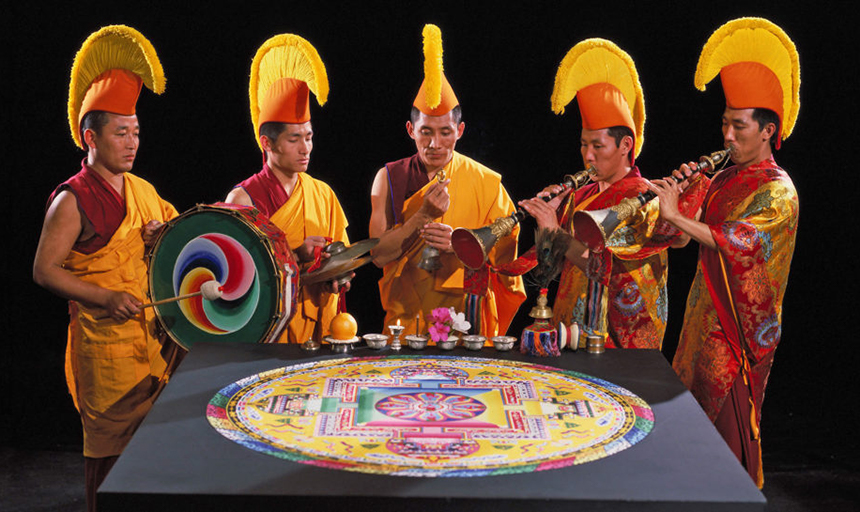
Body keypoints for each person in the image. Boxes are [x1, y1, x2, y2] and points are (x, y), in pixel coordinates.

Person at [31, 26, 182, 511]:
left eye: (136, 131)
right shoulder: (72, 199)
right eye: (121, 132)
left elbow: (177, 234)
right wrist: (104, 297)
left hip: (152, 343)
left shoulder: (140, 189)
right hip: (107, 348)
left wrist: (163, 238)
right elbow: (44, 270)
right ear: (89, 136)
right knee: (112, 464)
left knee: (156, 457)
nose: (132, 142)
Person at [648, 18, 800, 487]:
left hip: (735, 340)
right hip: (699, 326)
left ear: (768, 130)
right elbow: (677, 239)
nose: (727, 136)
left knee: (723, 452)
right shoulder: (725, 178)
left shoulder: (780, 192)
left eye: (738, 127)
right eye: (724, 124)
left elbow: (741, 243)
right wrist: (679, 195)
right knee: (687, 443)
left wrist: (678, 216)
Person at [519, 38, 707, 350]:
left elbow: (604, 268)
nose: (587, 156)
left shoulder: (642, 198)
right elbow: (548, 267)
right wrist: (544, 222)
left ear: (625, 146)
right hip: (569, 334)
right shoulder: (581, 196)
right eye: (583, 144)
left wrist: (555, 229)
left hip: (623, 338)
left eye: (597, 146)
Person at [369, 24, 525, 337]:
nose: (435, 144)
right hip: (405, 319)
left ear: (461, 131)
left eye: (445, 133)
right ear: (412, 131)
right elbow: (378, 256)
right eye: (426, 132)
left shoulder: (487, 183)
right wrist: (422, 216)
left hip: (465, 323)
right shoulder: (389, 178)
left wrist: (462, 244)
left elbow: (507, 260)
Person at [225, 34, 349, 344]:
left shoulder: (324, 195)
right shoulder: (242, 199)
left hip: (320, 328)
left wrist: (341, 275)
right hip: (267, 333)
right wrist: (295, 255)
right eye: (294, 139)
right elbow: (234, 281)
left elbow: (345, 256)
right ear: (267, 143)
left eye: (309, 137)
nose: (305, 148)